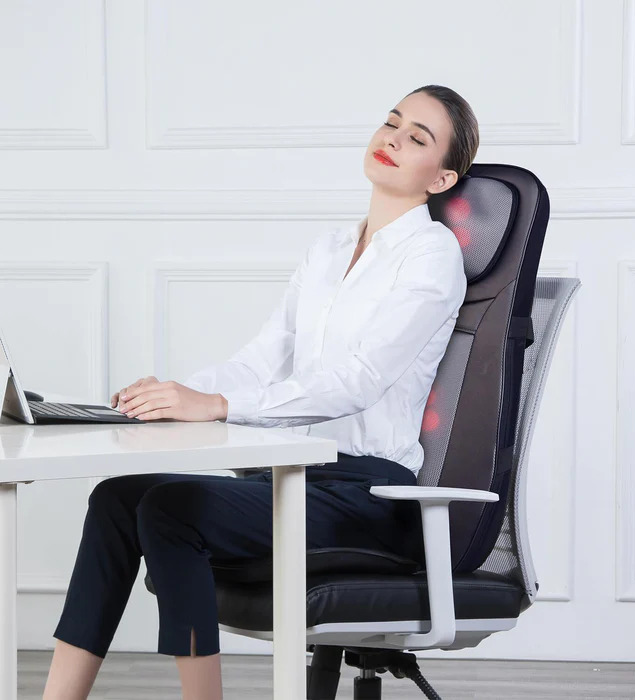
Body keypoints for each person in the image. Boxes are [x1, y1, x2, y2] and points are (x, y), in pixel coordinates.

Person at [42, 84, 479, 700]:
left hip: (373, 492)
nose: (392, 139)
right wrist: (176, 395)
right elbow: (261, 361)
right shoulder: (328, 249)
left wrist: (215, 408)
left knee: (171, 512)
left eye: (417, 138)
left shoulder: (431, 257)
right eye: (391, 122)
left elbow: (358, 381)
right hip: (296, 475)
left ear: (441, 179)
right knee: (117, 498)